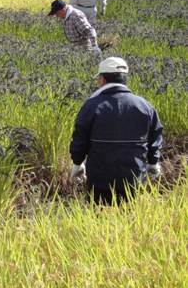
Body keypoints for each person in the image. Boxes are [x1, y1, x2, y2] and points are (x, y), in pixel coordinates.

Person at [69, 57, 163, 204]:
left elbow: (80, 138)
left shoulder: (91, 106)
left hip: (99, 181)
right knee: (131, 219)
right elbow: (155, 138)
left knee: (97, 219)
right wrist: (153, 163)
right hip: (134, 179)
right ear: (124, 79)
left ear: (102, 79)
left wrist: (77, 163)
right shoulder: (145, 106)